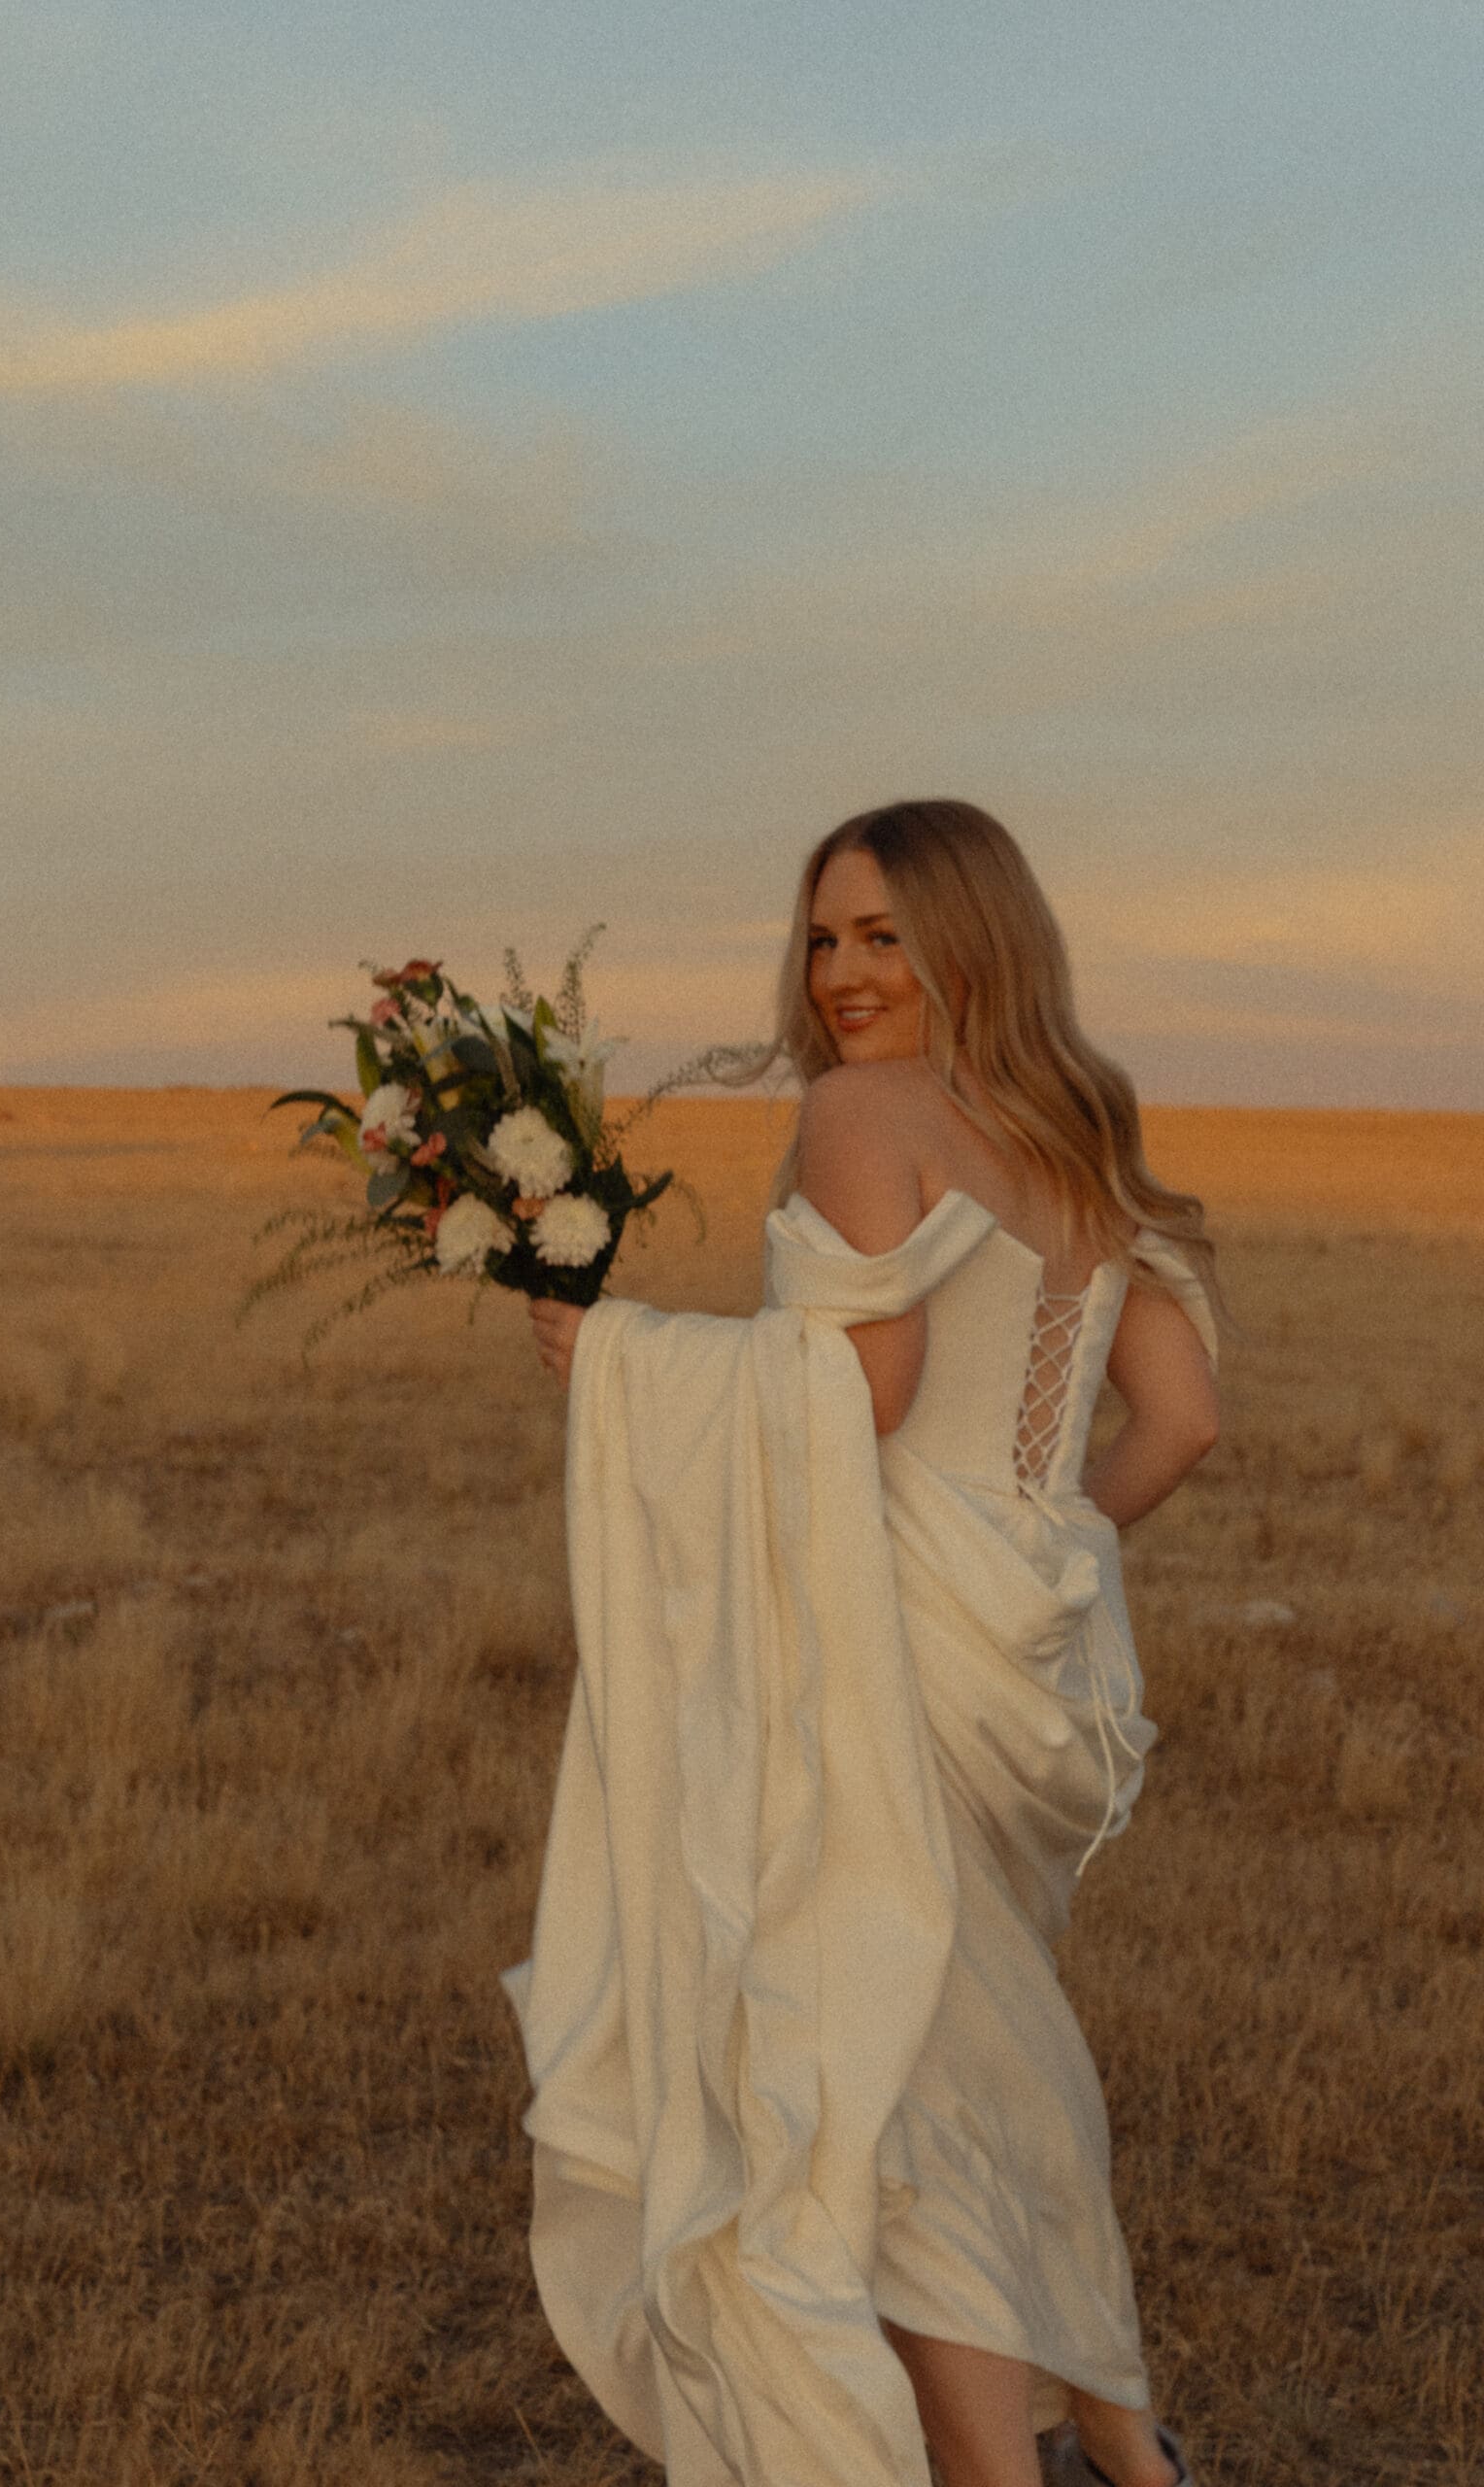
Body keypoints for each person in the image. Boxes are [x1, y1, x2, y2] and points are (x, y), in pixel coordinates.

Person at [511, 800, 1221, 2487]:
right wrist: (1031, 1546)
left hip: (874, 1639)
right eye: (825, 937)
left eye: (884, 936)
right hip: (1019, 1656)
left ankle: (1024, 2467)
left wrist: (613, 1354)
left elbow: (866, 1392)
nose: (840, 974)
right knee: (970, 2054)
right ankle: (1123, 2447)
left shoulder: (861, 1114)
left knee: (887, 2078)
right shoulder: (1071, 1128)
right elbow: (1181, 1419)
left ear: (971, 939)